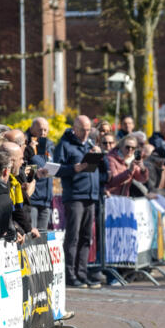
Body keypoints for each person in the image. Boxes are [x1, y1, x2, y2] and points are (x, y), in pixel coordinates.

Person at [54, 114, 104, 289]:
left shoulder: (90, 144)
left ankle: (82, 274)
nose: (86, 133)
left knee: (86, 237)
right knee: (73, 236)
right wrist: (74, 168)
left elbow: (100, 170)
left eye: (88, 129)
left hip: (90, 195)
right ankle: (70, 274)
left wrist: (98, 156)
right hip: (74, 196)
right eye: (82, 129)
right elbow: (56, 169)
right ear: (74, 128)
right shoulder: (65, 145)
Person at [25, 116, 54, 232]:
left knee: (42, 238)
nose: (43, 133)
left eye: (45, 130)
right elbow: (23, 169)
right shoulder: (25, 144)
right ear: (32, 129)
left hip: (45, 199)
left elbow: (51, 163)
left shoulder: (49, 144)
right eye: (40, 130)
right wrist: (35, 170)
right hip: (32, 199)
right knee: (31, 236)